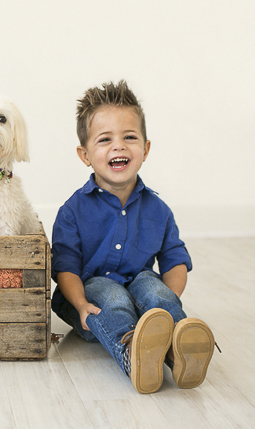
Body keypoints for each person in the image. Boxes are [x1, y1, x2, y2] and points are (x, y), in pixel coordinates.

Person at [52, 80, 216, 394]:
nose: (119, 146)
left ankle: (176, 347)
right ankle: (132, 354)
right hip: (89, 298)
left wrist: (166, 302)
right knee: (112, 295)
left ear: (146, 148)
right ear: (84, 154)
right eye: (105, 140)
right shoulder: (72, 211)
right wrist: (81, 305)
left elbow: (175, 260)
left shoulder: (159, 210)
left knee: (152, 287)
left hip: (138, 290)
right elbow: (66, 268)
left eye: (130, 137)